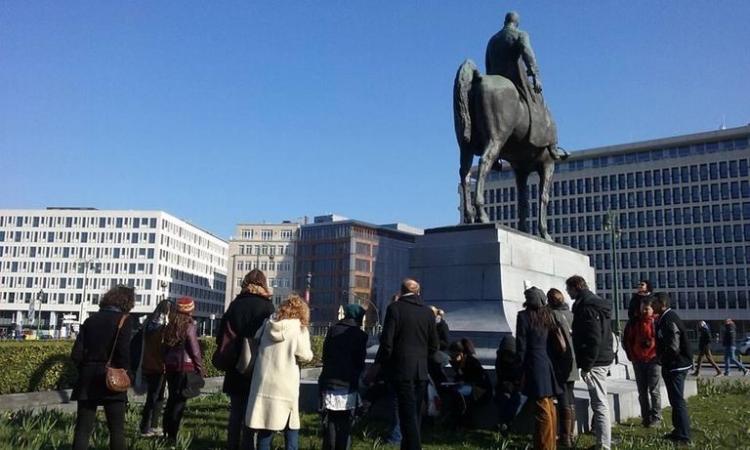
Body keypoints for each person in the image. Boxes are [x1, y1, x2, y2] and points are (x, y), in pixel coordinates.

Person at [368, 278, 438, 450]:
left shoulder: (395, 309)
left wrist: (380, 365)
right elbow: (434, 345)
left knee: (406, 414)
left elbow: (387, 343)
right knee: (414, 414)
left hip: (401, 370)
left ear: (400, 291)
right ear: (418, 292)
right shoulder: (428, 312)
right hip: (420, 371)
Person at [485, 11, 562, 159]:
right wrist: (535, 75)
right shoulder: (520, 34)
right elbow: (528, 53)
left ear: (505, 21)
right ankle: (553, 146)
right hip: (515, 79)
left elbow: (488, 63)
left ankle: (494, 157)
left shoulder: (492, 40)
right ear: (516, 23)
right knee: (539, 101)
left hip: (493, 79)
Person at [245, 294, 313, 450]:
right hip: (286, 384)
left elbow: (255, 338)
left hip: (263, 383)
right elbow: (306, 355)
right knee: (291, 427)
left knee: (265, 426)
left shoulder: (267, 324)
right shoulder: (299, 329)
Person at [71, 285, 135, 450]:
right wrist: (129, 374)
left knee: (83, 429)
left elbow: (76, 354)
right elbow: (123, 352)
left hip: (88, 377)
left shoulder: (90, 320)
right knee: (116, 430)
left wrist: (85, 368)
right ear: (127, 302)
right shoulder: (124, 320)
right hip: (113, 376)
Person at [218, 269, 276, 450]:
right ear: (263, 283)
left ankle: (232, 445)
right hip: (258, 364)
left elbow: (222, 334)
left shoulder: (235, 304)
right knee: (253, 410)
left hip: (235, 363)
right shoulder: (267, 307)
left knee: (235, 410)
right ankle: (248, 445)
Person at [566, 275, 614, 450]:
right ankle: (602, 443)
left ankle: (604, 446)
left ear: (575, 287)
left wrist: (587, 365)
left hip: (596, 361)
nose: (567, 293)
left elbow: (594, 338)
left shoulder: (587, 307)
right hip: (601, 358)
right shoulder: (594, 303)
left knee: (600, 403)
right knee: (600, 402)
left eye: (568, 289)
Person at [318, 304, 368, 450]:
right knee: (345, 421)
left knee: (331, 419)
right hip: (348, 381)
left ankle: (330, 446)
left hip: (330, 379)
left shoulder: (332, 330)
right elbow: (360, 361)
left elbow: (325, 355)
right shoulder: (361, 336)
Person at [516, 287, 561, 450]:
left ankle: (545, 446)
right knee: (549, 405)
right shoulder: (547, 315)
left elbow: (521, 345)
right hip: (546, 362)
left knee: (542, 409)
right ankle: (549, 444)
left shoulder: (523, 316)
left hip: (533, 363)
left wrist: (519, 368)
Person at [162, 297, 204, 442]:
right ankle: (173, 435)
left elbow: (164, 348)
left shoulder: (170, 326)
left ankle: (166, 432)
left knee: (171, 400)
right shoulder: (189, 327)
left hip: (170, 367)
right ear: (190, 310)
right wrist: (199, 368)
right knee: (179, 402)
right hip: (185, 367)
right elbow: (195, 350)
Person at [653, 292, 692, 444]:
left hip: (676, 365)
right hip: (674, 364)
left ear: (662, 304)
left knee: (677, 401)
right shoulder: (664, 318)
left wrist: (661, 359)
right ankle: (678, 430)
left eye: (654, 303)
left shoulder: (669, 320)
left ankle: (684, 436)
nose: (652, 306)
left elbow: (673, 347)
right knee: (674, 400)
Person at [623, 297, 662, 427]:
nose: (644, 311)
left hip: (653, 360)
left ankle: (656, 417)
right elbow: (627, 340)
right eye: (642, 308)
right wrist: (632, 356)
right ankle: (646, 418)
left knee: (654, 390)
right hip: (638, 360)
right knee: (642, 392)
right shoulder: (634, 323)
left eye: (647, 308)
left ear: (652, 309)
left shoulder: (657, 322)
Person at [546, 288, 577, 447]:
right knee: (570, 397)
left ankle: (565, 437)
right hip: (572, 362)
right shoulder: (571, 315)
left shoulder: (553, 316)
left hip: (560, 362)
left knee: (564, 398)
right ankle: (570, 434)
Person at [137, 300, 171, 437]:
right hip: (159, 364)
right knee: (156, 397)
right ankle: (149, 426)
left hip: (147, 362)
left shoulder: (148, 323)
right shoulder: (163, 327)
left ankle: (149, 425)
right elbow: (163, 346)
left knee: (153, 396)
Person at [444, 339, 492, 426]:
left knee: (458, 393)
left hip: (479, 389)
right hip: (470, 386)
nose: (453, 358)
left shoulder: (471, 362)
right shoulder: (459, 363)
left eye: (455, 356)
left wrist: (464, 381)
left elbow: (477, 378)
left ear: (461, 353)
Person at [494, 335, 522, 436]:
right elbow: (500, 376)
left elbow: (520, 379)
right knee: (503, 398)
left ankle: (505, 423)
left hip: (518, 387)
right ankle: (504, 424)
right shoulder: (500, 361)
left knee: (515, 401)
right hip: (504, 387)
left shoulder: (518, 362)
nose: (507, 358)